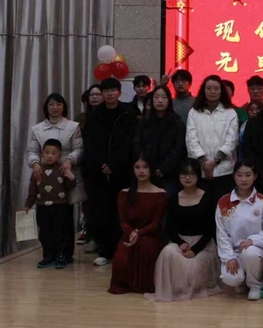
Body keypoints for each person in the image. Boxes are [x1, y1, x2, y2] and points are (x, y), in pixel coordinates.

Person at [145, 159, 221, 302]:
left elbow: (211, 229)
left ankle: (189, 288)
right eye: (184, 174)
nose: (187, 177)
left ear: (198, 176)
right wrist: (180, 243)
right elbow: (170, 227)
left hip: (203, 245)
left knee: (193, 265)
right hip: (181, 242)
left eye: (191, 174)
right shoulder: (173, 198)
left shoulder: (208, 197)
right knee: (167, 253)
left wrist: (195, 249)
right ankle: (170, 290)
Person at [83, 78, 139, 266]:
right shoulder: (94, 115)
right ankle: (105, 251)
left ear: (119, 92)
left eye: (113, 90)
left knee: (122, 212)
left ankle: (124, 250)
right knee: (101, 212)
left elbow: (130, 143)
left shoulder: (128, 113)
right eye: (106, 90)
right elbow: (90, 143)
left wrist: (114, 164)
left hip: (122, 172)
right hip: (98, 173)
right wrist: (101, 164)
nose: (109, 93)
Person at [27, 93, 84, 263]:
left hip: (66, 173)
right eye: (51, 104)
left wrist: (69, 160)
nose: (55, 108)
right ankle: (49, 254)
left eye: (58, 104)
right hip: (44, 175)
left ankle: (65, 254)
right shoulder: (37, 129)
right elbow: (32, 151)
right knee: (45, 224)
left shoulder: (73, 126)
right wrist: (35, 164)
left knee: (64, 220)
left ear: (63, 107)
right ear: (46, 107)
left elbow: (79, 149)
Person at [216, 161, 263, 300]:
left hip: (257, 250)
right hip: (234, 251)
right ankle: (242, 280)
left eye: (248, 175)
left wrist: (252, 240)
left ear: (255, 176)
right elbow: (221, 234)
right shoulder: (223, 202)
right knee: (231, 279)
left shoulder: (262, 201)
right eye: (239, 175)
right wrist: (229, 257)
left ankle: (255, 284)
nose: (244, 179)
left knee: (249, 253)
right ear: (234, 176)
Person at [108, 154, 168, 294]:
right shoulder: (124, 193)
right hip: (129, 234)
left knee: (146, 246)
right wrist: (131, 233)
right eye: (137, 167)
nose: (141, 171)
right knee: (121, 258)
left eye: (145, 167)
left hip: (150, 235)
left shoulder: (160, 193)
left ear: (151, 169)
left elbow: (156, 223)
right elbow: (123, 222)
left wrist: (139, 233)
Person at [24, 139, 77, 269]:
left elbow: (70, 186)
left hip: (60, 206)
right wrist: (28, 204)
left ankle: (61, 255)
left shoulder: (62, 169)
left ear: (60, 155)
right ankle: (48, 256)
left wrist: (71, 177)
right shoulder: (38, 170)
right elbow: (32, 190)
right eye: (47, 152)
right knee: (45, 233)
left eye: (53, 153)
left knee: (61, 232)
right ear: (42, 154)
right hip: (42, 207)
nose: (49, 156)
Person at [186, 75, 239, 205]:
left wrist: (215, 162)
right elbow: (191, 140)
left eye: (216, 88)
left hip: (224, 172)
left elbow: (231, 141)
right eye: (209, 88)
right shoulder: (194, 112)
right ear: (203, 90)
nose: (212, 91)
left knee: (223, 208)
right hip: (199, 171)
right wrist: (205, 164)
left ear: (221, 91)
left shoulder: (230, 112)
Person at [133, 86, 186, 196]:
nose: (160, 100)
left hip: (170, 174)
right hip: (146, 172)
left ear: (169, 100)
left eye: (164, 97)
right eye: (156, 97)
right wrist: (146, 165)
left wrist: (163, 168)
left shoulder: (177, 122)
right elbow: (137, 143)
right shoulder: (144, 122)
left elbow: (179, 148)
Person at [75, 84, 102, 249]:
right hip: (86, 165)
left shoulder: (107, 115)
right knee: (88, 203)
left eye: (98, 94)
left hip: (105, 166)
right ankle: (90, 235)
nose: (95, 98)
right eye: (91, 95)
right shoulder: (81, 118)